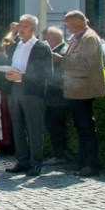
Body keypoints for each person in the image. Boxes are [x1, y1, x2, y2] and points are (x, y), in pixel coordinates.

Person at [59, 11, 105, 177]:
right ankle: (82, 161)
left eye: (69, 23)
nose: (67, 26)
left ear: (79, 22)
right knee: (80, 127)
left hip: (84, 89)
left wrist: (60, 59)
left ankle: (91, 164)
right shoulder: (78, 36)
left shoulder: (89, 38)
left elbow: (85, 64)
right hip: (76, 89)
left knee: (86, 128)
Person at [5, 14, 53, 176]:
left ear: (33, 29)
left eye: (24, 26)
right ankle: (22, 160)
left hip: (32, 92)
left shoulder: (41, 47)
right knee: (17, 127)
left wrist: (23, 77)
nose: (20, 29)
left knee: (34, 128)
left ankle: (36, 162)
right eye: (19, 26)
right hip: (15, 90)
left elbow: (46, 74)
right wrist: (7, 74)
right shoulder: (15, 46)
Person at [41, 26, 70, 165]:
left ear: (52, 38)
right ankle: (57, 153)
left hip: (58, 96)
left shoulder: (63, 49)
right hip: (52, 95)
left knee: (57, 126)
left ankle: (60, 155)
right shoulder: (54, 50)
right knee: (52, 125)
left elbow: (61, 73)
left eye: (45, 38)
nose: (44, 41)